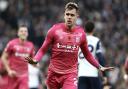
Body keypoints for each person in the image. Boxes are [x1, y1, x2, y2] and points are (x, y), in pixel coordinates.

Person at [25, 2, 114, 89]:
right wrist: (36, 60)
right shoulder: (54, 30)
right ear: (64, 15)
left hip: (70, 74)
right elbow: (43, 49)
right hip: (53, 73)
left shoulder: (81, 34)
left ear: (76, 16)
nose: (69, 17)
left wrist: (99, 67)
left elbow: (87, 54)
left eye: (72, 15)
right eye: (67, 14)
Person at [1, 25, 35, 89]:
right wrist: (9, 70)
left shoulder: (31, 45)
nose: (23, 32)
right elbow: (3, 57)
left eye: (25, 31)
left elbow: (32, 60)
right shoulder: (12, 43)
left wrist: (35, 63)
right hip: (13, 75)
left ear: (27, 34)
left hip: (24, 76)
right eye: (21, 31)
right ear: (18, 33)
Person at [78, 21, 107, 89]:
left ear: (84, 29)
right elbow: (100, 58)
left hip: (81, 75)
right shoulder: (96, 40)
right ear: (93, 29)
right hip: (92, 74)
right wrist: (104, 75)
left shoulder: (79, 41)